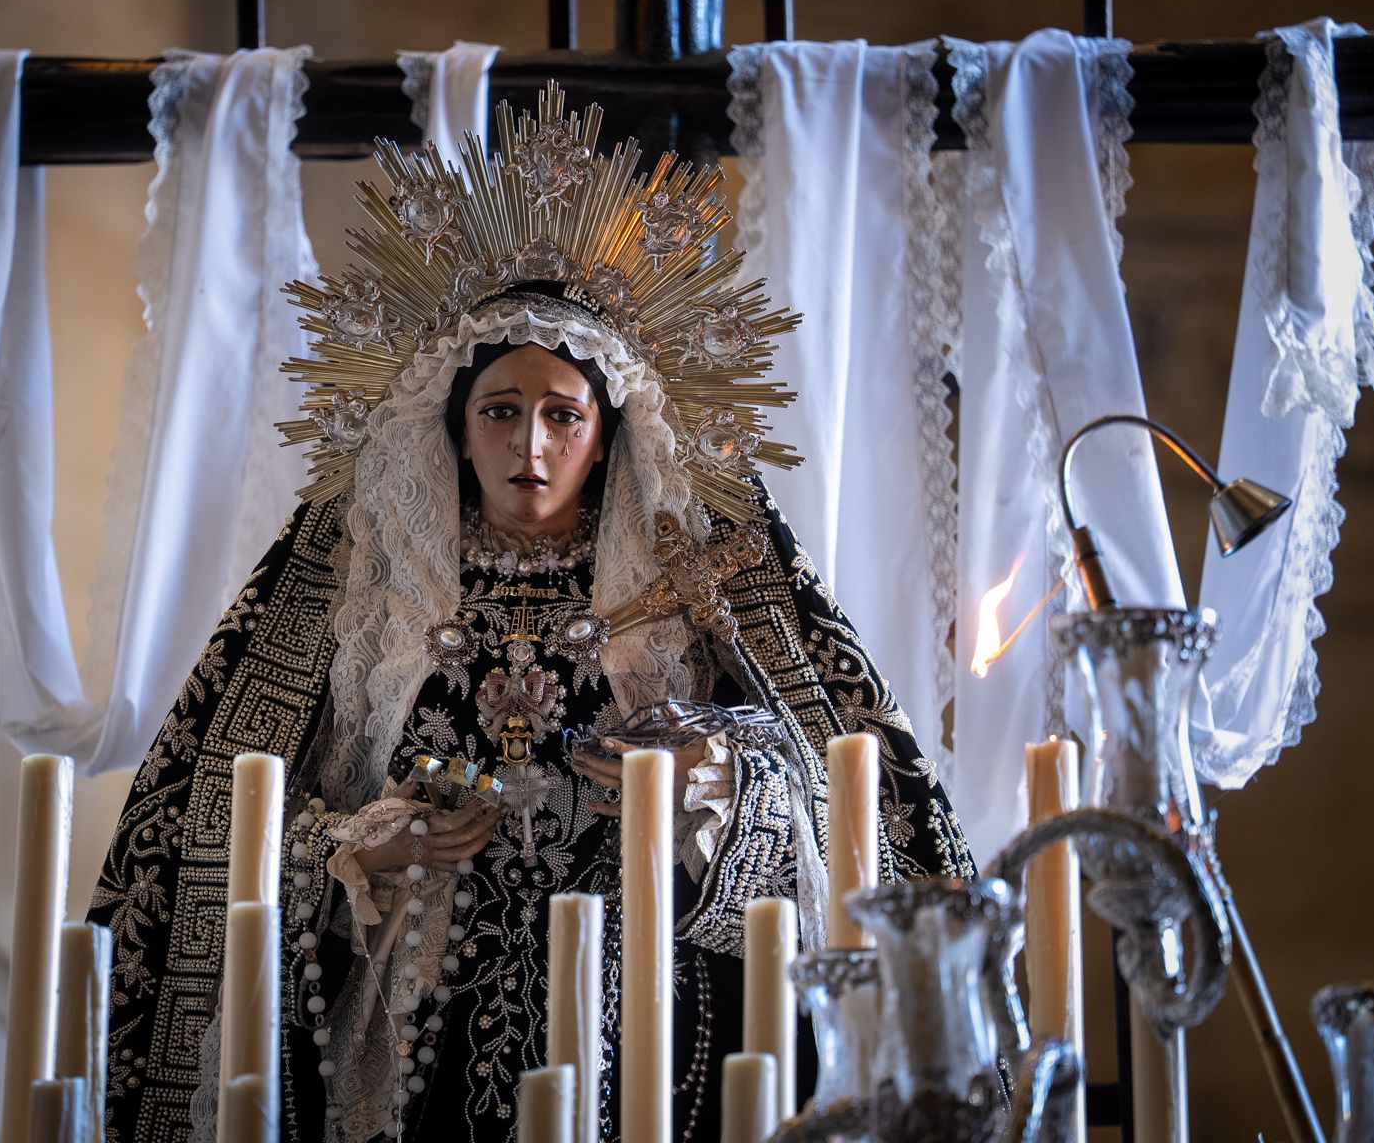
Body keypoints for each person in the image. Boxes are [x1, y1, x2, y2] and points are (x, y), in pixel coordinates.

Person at [88, 84, 973, 1143]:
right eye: (501, 412)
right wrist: (356, 851)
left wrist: (717, 788)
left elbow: (857, 805)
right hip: (411, 1037)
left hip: (651, 1037)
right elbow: (200, 830)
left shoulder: (715, 574)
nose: (532, 448)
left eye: (564, 415)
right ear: (455, 425)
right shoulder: (351, 574)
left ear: (612, 428)